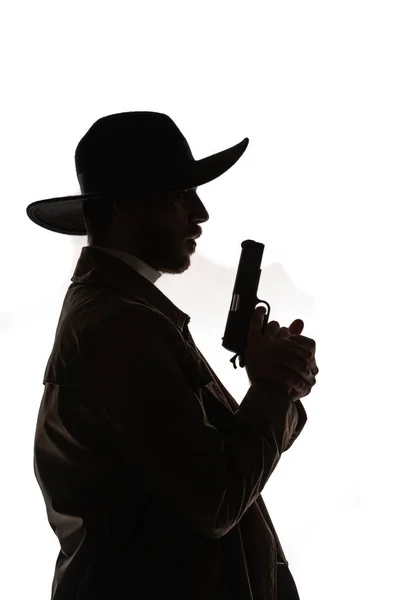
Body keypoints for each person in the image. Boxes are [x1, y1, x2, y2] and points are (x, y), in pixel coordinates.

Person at [27, 111, 319, 600]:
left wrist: (275, 386)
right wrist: (273, 387)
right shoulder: (120, 324)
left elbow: (229, 464)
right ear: (126, 205)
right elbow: (217, 500)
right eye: (179, 194)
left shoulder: (126, 313)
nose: (200, 213)